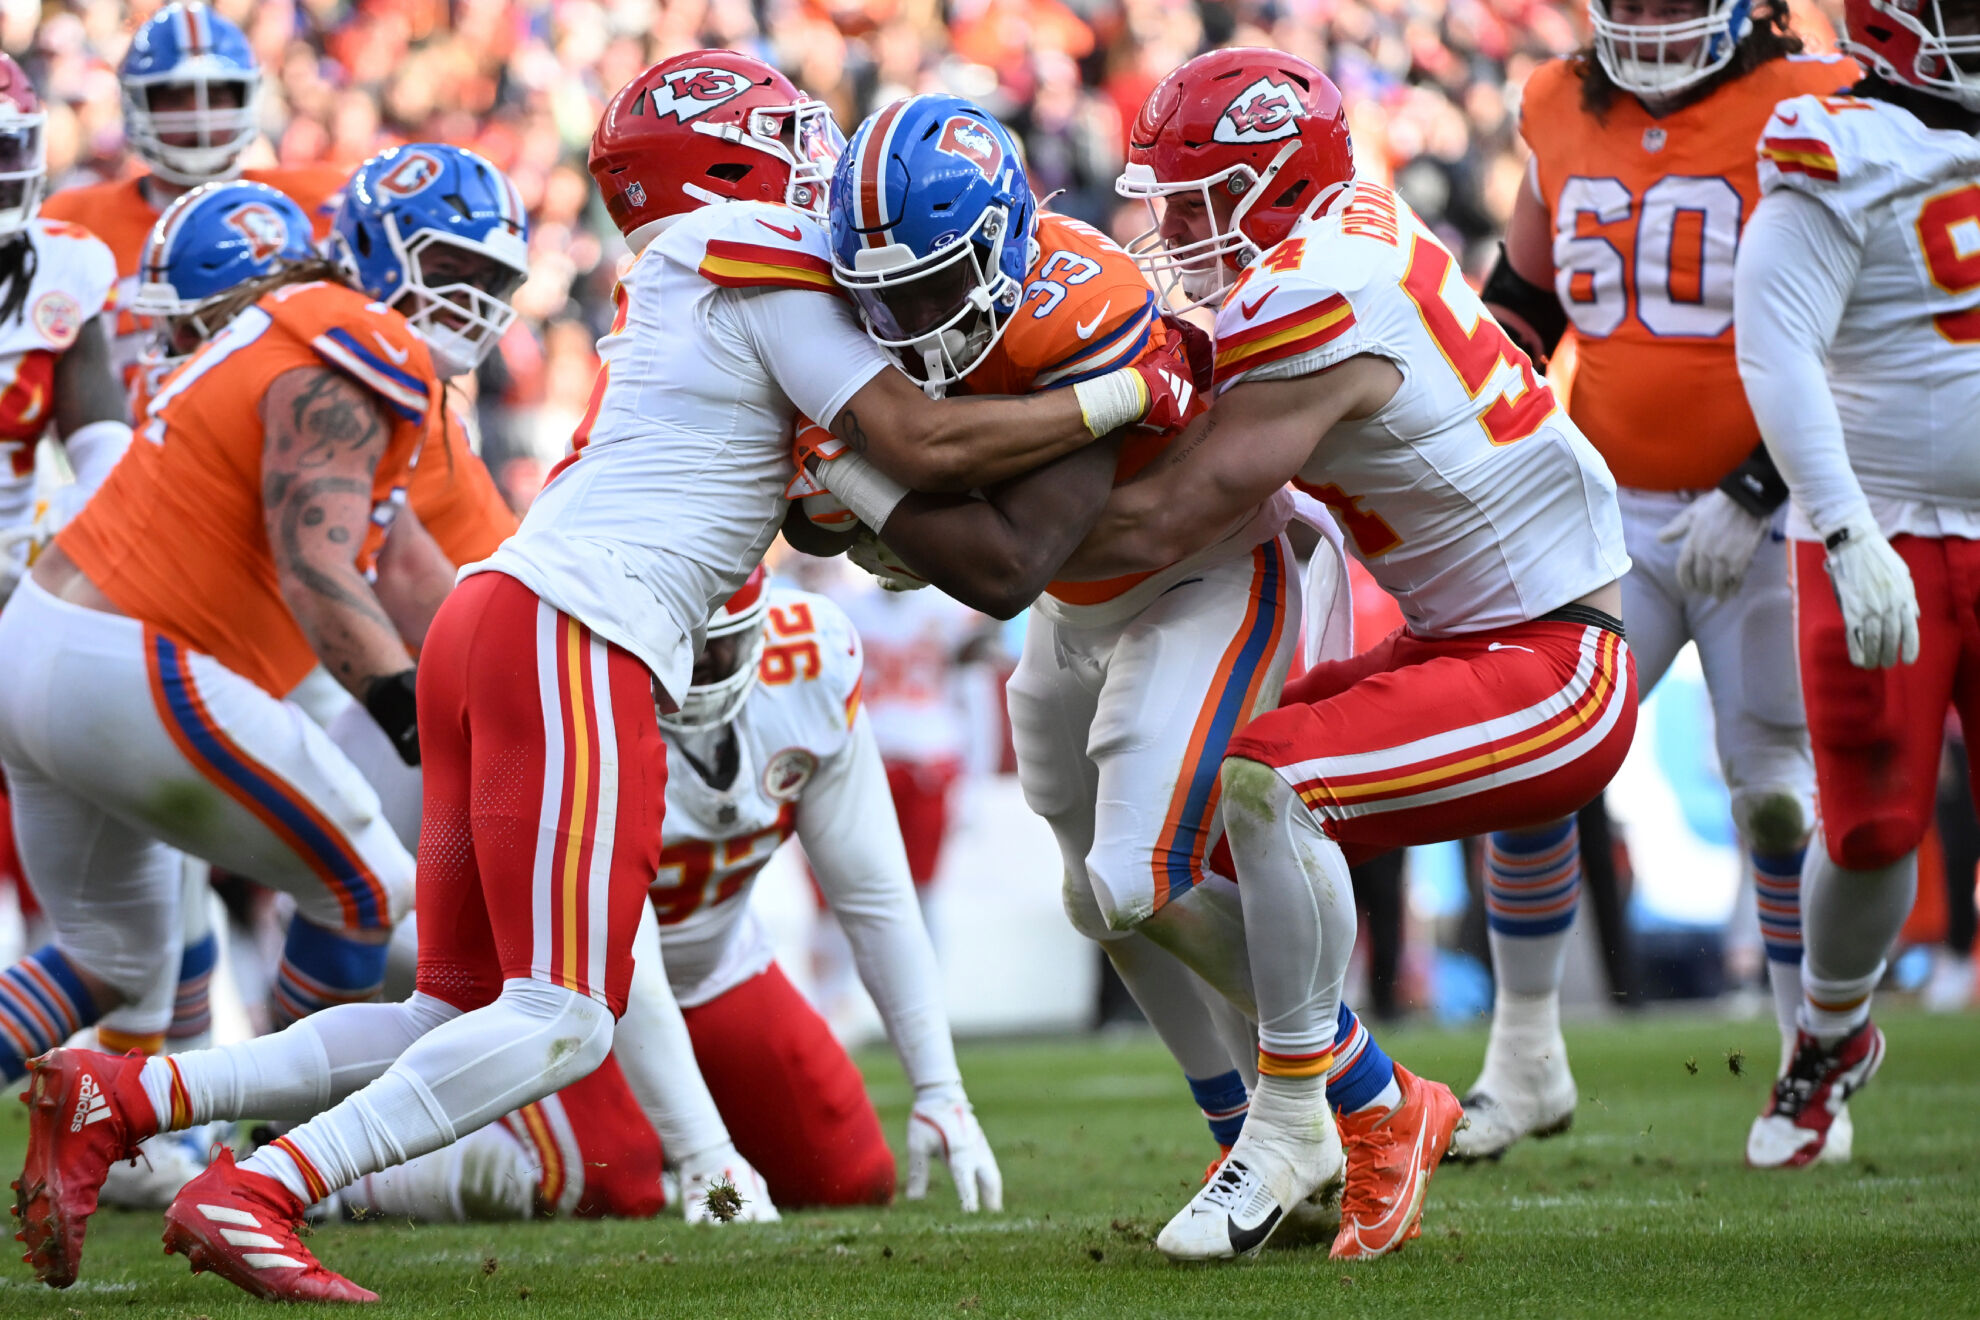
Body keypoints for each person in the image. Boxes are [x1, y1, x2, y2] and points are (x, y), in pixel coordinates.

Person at [15, 50, 1187, 1302]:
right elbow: (923, 438)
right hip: (578, 629)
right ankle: (259, 1189)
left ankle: (133, 1092)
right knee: (567, 1014)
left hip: (501, 615)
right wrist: (1121, 391)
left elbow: (886, 503)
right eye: (782, 136)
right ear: (730, 164)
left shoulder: (699, 277)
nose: (812, 159)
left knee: (451, 1016)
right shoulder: (750, 245)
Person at [809, 92, 1461, 1263]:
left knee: (1134, 878)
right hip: (1086, 604)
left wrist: (870, 491)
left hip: (1203, 576)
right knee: (1090, 897)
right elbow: (847, 525)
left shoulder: (1087, 304)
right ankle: (1241, 1132)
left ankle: (1363, 1098)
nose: (905, 322)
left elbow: (1008, 563)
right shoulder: (885, 300)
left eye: (931, 287)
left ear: (1004, 243)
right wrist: (893, 506)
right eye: (882, 296)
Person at [1058, 47, 1636, 1257]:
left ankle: (1291, 1123)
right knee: (1188, 849)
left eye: (1192, 198)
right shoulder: (1345, 231)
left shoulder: (1314, 294)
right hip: (1478, 637)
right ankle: (1377, 1096)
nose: (1167, 227)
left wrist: (974, 526)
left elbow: (1175, 512)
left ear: (1270, 187)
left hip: (1552, 664)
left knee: (1273, 780)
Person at [1478, 0, 1856, 1160]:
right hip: (1608, 511)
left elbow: (1854, 322)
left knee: (1778, 794)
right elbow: (1526, 301)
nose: (1645, 24)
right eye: (1628, 2)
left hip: (1775, 501)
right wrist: (1473, 409)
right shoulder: (1554, 101)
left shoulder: (1818, 100)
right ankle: (1524, 1054)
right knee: (1533, 765)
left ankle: (1807, 1068)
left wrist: (1757, 489)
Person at [329, 571, 996, 1219]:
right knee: (611, 1181)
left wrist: (940, 1088)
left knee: (848, 1177)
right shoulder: (571, 690)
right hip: (564, 986)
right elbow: (627, 955)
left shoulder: (809, 660)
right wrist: (707, 1153)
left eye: (717, 646)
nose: (696, 671)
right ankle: (345, 1181)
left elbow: (875, 896)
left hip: (716, 967)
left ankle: (656, 1133)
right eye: (683, 647)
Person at [1732, 0, 1980, 1167]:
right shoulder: (1841, 143)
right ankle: (1828, 1037)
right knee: (1877, 819)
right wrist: (1843, 525)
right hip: (1889, 525)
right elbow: (1774, 346)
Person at [41, 3, 347, 399]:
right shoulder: (74, 219)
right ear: (138, 104)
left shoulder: (319, 200)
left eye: (216, 96)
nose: (197, 116)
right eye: (175, 97)